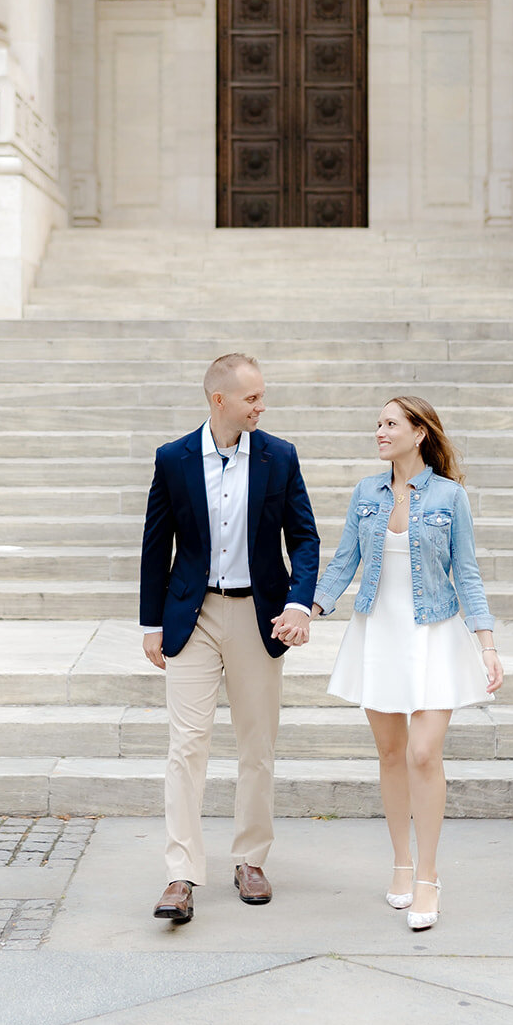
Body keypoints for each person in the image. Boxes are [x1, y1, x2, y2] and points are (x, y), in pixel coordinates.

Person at [140, 353, 320, 925]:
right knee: (186, 747)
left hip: (257, 616)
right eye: (252, 398)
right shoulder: (173, 459)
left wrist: (298, 602)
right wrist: (151, 624)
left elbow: (306, 538)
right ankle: (181, 873)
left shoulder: (279, 455)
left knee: (256, 746)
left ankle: (250, 860)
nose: (261, 406)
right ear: (220, 400)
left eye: (262, 397)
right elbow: (155, 545)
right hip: (192, 617)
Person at [312, 394, 503, 931]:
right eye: (377, 423)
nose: (379, 431)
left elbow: (467, 573)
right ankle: (400, 864)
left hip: (435, 634)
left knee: (424, 753)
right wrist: (309, 609)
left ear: (419, 433)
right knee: (392, 754)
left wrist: (486, 643)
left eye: (390, 423)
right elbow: (344, 560)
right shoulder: (366, 493)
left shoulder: (449, 496)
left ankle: (428, 876)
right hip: (379, 632)